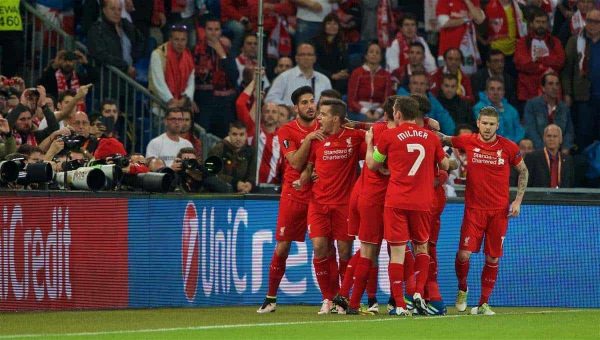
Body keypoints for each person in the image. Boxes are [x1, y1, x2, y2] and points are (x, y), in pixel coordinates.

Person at [439, 106, 529, 316]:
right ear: (478, 123)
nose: (488, 128)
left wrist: (517, 201)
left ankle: (483, 303)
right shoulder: (468, 141)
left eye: (491, 124)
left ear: (497, 125)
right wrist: (424, 127)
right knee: (463, 254)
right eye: (484, 123)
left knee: (493, 258)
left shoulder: (508, 147)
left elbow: (523, 171)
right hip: (474, 210)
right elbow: (443, 139)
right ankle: (463, 288)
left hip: (499, 212)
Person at [366, 96, 449, 316]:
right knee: (422, 247)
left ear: (398, 114)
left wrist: (368, 143)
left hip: (396, 201)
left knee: (397, 252)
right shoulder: (431, 138)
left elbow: (373, 164)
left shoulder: (388, 135)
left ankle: (400, 306)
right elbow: (446, 164)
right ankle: (419, 295)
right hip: (422, 201)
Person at [257, 86, 324, 313]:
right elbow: (294, 163)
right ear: (296, 107)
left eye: (311, 101)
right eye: (304, 102)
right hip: (293, 195)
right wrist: (309, 139)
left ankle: (332, 300)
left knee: (322, 245)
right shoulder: (286, 130)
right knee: (283, 246)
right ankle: (271, 298)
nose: (310, 105)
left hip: (319, 195)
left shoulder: (325, 126)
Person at [333, 96, 399, 315]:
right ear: (398, 114)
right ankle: (351, 302)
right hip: (375, 198)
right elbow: (378, 165)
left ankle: (347, 297)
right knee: (373, 251)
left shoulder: (378, 128)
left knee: (367, 250)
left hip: (360, 193)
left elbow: (373, 130)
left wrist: (361, 126)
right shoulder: (392, 135)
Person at [300, 98, 365, 315]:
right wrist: (305, 178)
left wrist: (360, 125)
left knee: (345, 251)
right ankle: (328, 297)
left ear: (336, 118)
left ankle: (343, 297)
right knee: (320, 247)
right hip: (318, 203)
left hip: (344, 205)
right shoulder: (315, 140)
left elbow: (382, 137)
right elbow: (305, 167)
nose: (319, 117)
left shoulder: (354, 138)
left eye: (324, 114)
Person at [192, 17, 239, 138]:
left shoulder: (227, 50)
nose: (213, 32)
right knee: (203, 136)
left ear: (220, 31)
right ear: (205, 31)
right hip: (203, 101)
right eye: (210, 29)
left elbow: (234, 76)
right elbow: (190, 77)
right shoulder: (195, 50)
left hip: (225, 102)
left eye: (216, 29)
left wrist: (222, 55)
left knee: (223, 138)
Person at [561, 9, 600, 151]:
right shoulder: (575, 41)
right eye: (589, 21)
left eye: (596, 22)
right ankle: (585, 170)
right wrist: (567, 93)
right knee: (584, 135)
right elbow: (566, 71)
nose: (592, 25)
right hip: (583, 97)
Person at [514, 8, 565, 104]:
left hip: (552, 93)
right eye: (538, 22)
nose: (541, 25)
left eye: (544, 22)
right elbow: (522, 64)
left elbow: (560, 61)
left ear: (548, 24)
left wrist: (539, 59)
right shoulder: (522, 42)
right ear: (531, 24)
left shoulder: (555, 42)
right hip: (528, 92)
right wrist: (546, 67)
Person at [87, 0, 145, 78]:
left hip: (129, 77)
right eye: (112, 9)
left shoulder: (126, 24)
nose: (117, 12)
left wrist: (134, 57)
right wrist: (124, 66)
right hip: (107, 79)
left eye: (119, 9)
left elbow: (140, 40)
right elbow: (101, 54)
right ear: (104, 10)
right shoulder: (96, 30)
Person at [266, 43, 332, 106]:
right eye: (302, 54)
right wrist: (289, 108)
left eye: (309, 54)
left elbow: (330, 103)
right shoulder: (284, 77)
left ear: (314, 58)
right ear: (296, 58)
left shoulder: (324, 80)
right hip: (291, 117)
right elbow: (270, 99)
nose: (306, 57)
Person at [523, 73, 574, 152]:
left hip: (559, 150)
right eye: (550, 84)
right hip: (538, 150)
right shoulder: (532, 105)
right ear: (543, 88)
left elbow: (569, 132)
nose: (554, 87)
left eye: (557, 84)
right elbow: (530, 130)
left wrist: (565, 148)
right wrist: (544, 150)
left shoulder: (564, 108)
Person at [148, 24, 196, 109]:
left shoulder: (188, 56)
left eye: (183, 40)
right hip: (160, 106)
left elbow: (191, 81)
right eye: (176, 39)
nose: (180, 43)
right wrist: (171, 101)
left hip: (181, 106)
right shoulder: (158, 54)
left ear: (187, 40)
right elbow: (159, 83)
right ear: (170, 39)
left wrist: (185, 99)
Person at [397, 71, 456, 136]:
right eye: (415, 83)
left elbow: (446, 122)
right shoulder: (401, 99)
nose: (418, 87)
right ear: (409, 85)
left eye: (422, 84)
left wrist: (451, 137)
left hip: (427, 137)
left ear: (427, 86)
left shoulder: (433, 102)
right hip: (404, 135)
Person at [347, 42, 393, 122]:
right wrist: (365, 111)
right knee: (366, 120)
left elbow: (387, 99)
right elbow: (351, 100)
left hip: (379, 110)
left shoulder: (386, 75)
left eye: (377, 52)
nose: (374, 54)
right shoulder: (357, 73)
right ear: (366, 55)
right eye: (371, 52)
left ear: (381, 57)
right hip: (359, 110)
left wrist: (379, 111)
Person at [436, 0, 485, 74]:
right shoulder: (444, 1)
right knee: (448, 78)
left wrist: (468, 1)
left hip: (468, 49)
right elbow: (443, 22)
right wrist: (466, 19)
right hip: (448, 48)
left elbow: (480, 19)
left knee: (468, 77)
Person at [207, 121, 256, 193]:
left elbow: (252, 175)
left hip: (243, 192)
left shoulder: (250, 151)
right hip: (219, 192)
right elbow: (212, 174)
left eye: (241, 134)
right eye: (234, 134)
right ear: (229, 135)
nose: (238, 138)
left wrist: (249, 184)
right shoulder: (218, 149)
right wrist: (235, 183)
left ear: (246, 136)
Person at [473, 76, 525, 143]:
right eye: (492, 89)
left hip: (511, 146)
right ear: (486, 92)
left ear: (503, 92)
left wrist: (512, 144)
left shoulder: (512, 110)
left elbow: (519, 130)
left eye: (499, 89)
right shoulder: (479, 109)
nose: (496, 93)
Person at [386, 13, 437, 80]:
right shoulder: (394, 44)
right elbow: (393, 69)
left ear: (416, 28)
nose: (410, 28)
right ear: (401, 28)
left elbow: (430, 64)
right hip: (401, 80)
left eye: (412, 25)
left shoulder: (421, 41)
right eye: (406, 25)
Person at [312, 13, 350, 96]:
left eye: (335, 24)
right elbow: (314, 65)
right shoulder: (315, 42)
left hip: (337, 78)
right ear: (324, 26)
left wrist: (343, 72)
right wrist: (331, 75)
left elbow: (344, 63)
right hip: (320, 76)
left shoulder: (341, 43)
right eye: (329, 23)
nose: (332, 26)